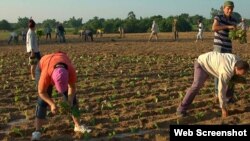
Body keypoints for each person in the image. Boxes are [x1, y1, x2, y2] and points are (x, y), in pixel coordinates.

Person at [31, 52, 91, 140]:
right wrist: (52, 104)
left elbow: (72, 87)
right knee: (42, 101)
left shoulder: (70, 70)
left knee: (73, 99)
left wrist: (69, 101)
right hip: (43, 65)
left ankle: (77, 125)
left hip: (59, 59)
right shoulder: (45, 75)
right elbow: (41, 92)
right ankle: (37, 131)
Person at [176, 51, 249, 118]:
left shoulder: (238, 60)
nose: (243, 74)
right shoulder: (226, 72)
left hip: (213, 63)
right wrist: (223, 108)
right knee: (196, 86)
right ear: (236, 68)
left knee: (232, 80)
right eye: (242, 73)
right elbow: (221, 90)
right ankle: (181, 109)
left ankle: (228, 99)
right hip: (202, 64)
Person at [212, 1, 237, 97]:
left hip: (228, 48)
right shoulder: (218, 17)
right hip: (219, 47)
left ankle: (228, 95)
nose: (230, 10)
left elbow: (232, 36)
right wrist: (227, 26)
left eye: (231, 9)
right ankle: (217, 93)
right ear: (224, 8)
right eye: (228, 8)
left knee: (230, 71)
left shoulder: (234, 20)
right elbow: (214, 28)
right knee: (218, 71)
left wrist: (237, 33)